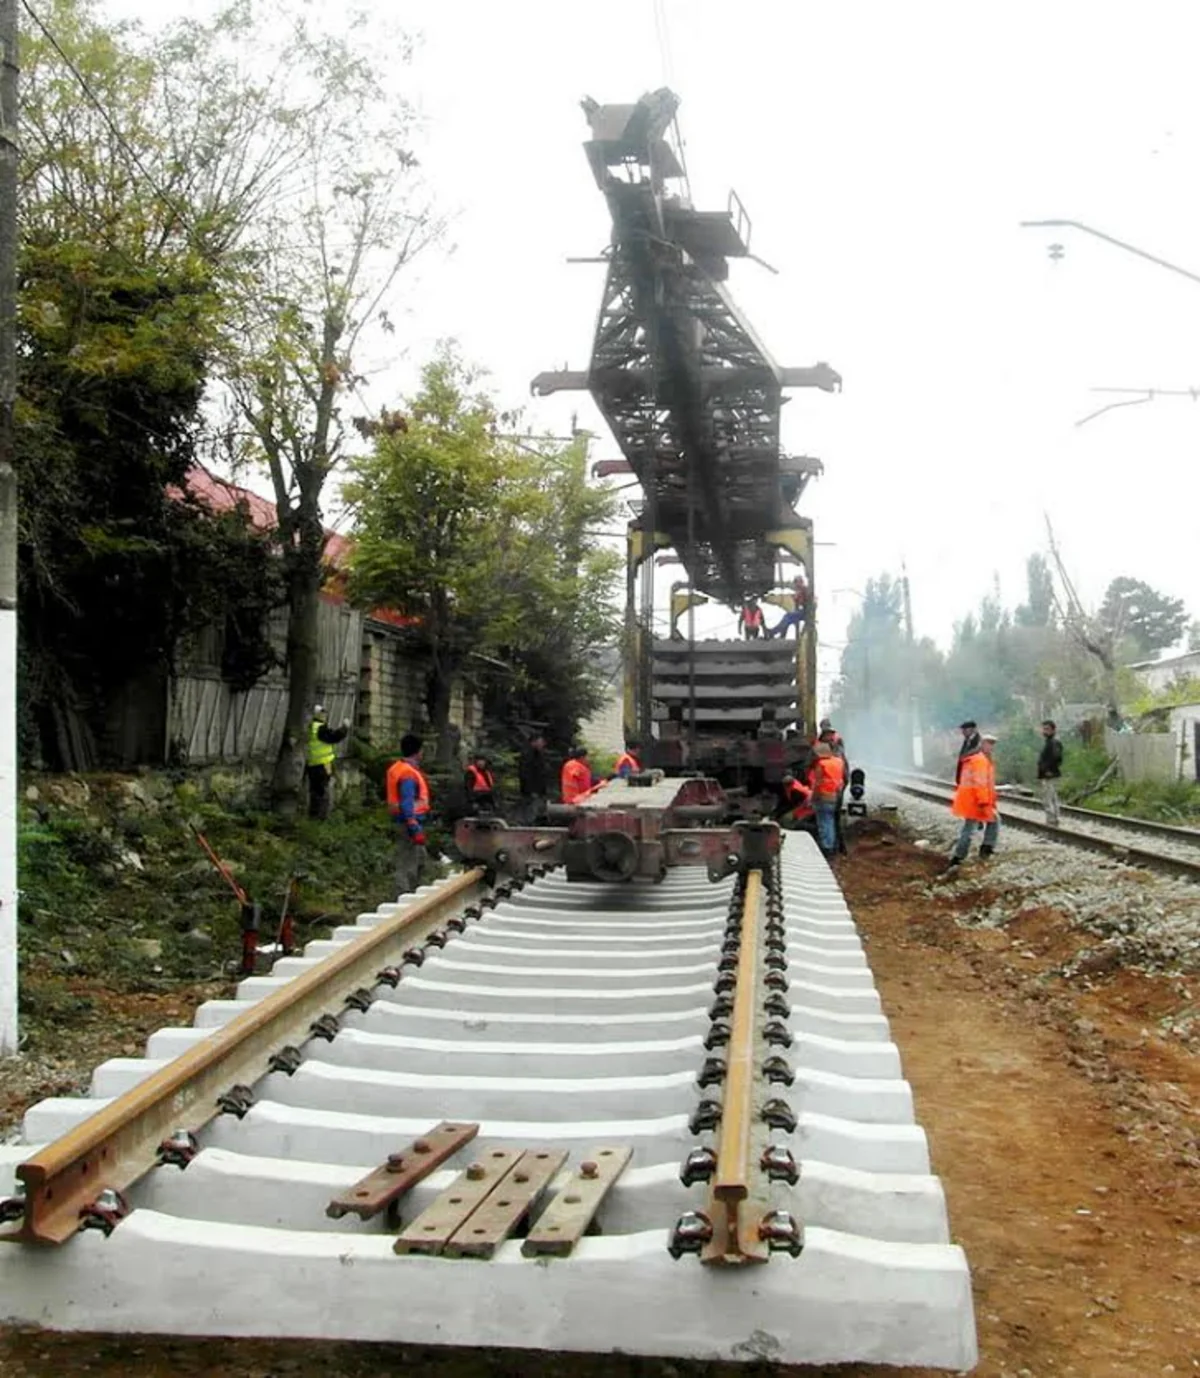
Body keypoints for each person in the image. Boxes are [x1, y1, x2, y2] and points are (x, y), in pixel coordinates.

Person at [386, 733, 431, 894]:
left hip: (403, 820)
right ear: (417, 752)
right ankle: (404, 896)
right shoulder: (408, 773)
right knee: (407, 862)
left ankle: (414, 892)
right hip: (408, 822)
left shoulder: (398, 768)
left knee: (420, 859)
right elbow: (407, 801)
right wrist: (413, 825)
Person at [948, 733, 999, 866]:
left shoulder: (978, 759)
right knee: (970, 829)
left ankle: (984, 849)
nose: (991, 746)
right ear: (981, 744)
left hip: (972, 799)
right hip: (976, 801)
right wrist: (984, 801)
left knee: (993, 820)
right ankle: (959, 857)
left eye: (992, 744)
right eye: (988, 743)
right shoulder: (980, 761)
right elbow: (980, 782)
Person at [304, 704, 350, 820]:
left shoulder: (309, 727)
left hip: (312, 764)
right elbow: (334, 737)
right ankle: (321, 817)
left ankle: (313, 816)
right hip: (323, 765)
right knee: (323, 792)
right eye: (322, 713)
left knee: (314, 791)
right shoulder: (319, 728)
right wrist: (344, 728)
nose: (325, 716)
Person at [809, 741, 846, 858]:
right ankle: (832, 846)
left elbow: (818, 783)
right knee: (830, 821)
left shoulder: (821, 764)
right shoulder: (838, 762)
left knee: (824, 823)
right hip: (835, 796)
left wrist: (813, 798)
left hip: (823, 796)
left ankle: (826, 848)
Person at [518, 733, 549, 823]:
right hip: (530, 789)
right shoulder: (527, 754)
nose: (543, 744)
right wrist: (530, 789)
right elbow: (525, 773)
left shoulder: (539, 754)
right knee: (530, 807)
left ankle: (534, 821)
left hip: (538, 788)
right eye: (541, 742)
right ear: (534, 742)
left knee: (537, 807)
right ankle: (527, 823)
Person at [1037, 719, 1064, 826]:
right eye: (1044, 729)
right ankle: (1055, 818)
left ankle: (1051, 820)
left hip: (1050, 775)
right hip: (1049, 774)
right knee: (1052, 797)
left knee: (1048, 798)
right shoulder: (1050, 742)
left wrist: (1048, 770)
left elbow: (1056, 758)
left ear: (1053, 730)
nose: (1044, 731)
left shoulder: (1054, 743)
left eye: (1047, 729)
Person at [955, 720, 981, 785]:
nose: (963, 732)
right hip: (965, 777)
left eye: (965, 729)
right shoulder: (967, 741)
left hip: (972, 778)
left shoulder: (979, 742)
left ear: (973, 729)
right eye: (963, 730)